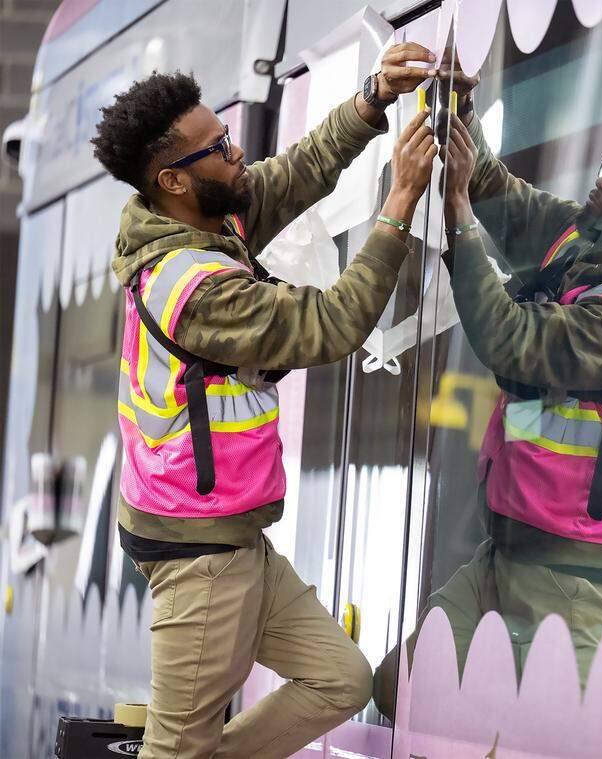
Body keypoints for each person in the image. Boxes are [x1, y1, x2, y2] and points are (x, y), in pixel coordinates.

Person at [91, 43, 439, 758]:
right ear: (173, 181)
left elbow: (299, 172)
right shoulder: (195, 289)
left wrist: (372, 97)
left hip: (235, 537)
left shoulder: (209, 219)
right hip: (201, 556)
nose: (237, 150)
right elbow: (333, 323)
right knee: (176, 746)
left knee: (340, 678)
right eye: (217, 148)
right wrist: (399, 202)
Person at [374, 65, 602, 715]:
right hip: (504, 549)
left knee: (548, 734)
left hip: (571, 580)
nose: (597, 188)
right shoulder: (586, 235)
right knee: (399, 689)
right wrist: (458, 109)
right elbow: (501, 199)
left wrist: (456, 219)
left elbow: (513, 340)